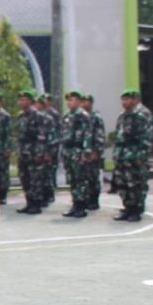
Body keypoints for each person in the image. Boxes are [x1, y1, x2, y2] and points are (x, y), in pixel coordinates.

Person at [112, 89, 153, 222]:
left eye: (128, 99)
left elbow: (146, 138)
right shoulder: (122, 116)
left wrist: (141, 156)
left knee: (135, 183)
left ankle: (136, 209)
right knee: (122, 183)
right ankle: (127, 207)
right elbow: (118, 137)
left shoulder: (141, 116)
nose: (125, 102)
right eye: (123, 99)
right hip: (122, 155)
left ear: (135, 100)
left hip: (135, 155)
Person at [61, 90, 95, 218]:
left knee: (81, 179)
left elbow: (87, 135)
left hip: (78, 150)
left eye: (72, 100)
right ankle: (75, 204)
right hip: (69, 151)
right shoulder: (67, 116)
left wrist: (86, 153)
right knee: (73, 180)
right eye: (68, 100)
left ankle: (82, 205)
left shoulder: (83, 116)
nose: (69, 102)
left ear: (79, 102)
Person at [16, 89, 50, 215]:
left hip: (34, 152)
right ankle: (29, 202)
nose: (22, 102)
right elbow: (19, 135)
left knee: (35, 179)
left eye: (24, 99)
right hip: (23, 153)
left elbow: (42, 136)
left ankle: (36, 204)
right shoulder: (21, 116)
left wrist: (39, 153)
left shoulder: (38, 116)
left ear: (30, 101)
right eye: (21, 99)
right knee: (25, 179)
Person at [81, 94, 106, 210]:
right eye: (82, 101)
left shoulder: (96, 117)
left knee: (93, 177)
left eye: (86, 101)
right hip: (84, 152)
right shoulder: (81, 117)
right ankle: (86, 199)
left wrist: (97, 151)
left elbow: (100, 135)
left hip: (93, 152)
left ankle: (94, 200)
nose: (83, 104)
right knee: (84, 177)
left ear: (91, 103)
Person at [39, 93, 61, 206]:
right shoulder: (39, 116)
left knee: (50, 171)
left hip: (51, 146)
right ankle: (45, 194)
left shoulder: (53, 114)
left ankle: (50, 193)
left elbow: (56, 132)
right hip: (42, 148)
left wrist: (52, 150)